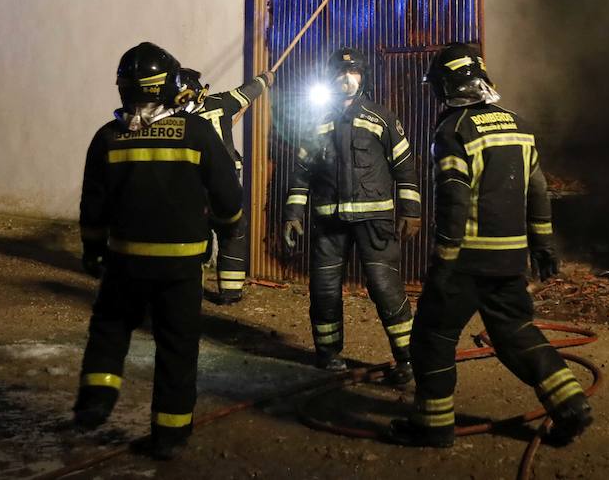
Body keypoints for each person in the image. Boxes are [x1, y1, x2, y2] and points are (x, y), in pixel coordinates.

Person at [389, 43, 593, 448]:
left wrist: (443, 264)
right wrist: (544, 245)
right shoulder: (520, 125)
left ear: (446, 86)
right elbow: (538, 190)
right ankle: (569, 401)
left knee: (432, 336)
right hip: (511, 259)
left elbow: (454, 206)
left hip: (466, 261)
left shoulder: (453, 132)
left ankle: (433, 425)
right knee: (516, 332)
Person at [73, 42, 244, 461]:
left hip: (123, 260)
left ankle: (95, 400)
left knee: (110, 331)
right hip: (181, 267)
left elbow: (92, 204)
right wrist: (229, 227)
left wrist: (93, 249)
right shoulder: (198, 132)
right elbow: (228, 197)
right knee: (177, 347)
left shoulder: (107, 137)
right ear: (168, 86)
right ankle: (169, 435)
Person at [284, 47, 420, 383]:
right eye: (341, 73)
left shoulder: (382, 119)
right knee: (324, 290)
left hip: (374, 223)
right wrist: (293, 213)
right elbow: (302, 173)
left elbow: (405, 167)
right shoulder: (317, 125)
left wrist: (412, 210)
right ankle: (329, 355)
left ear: (364, 76)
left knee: (385, 287)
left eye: (355, 72)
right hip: (328, 224)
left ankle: (409, 359)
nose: (347, 79)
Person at [175, 67, 273, 304]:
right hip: (223, 184)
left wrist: (263, 80)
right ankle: (230, 294)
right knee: (232, 232)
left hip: (193, 187)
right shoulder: (221, 103)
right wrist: (265, 79)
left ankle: (192, 292)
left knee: (197, 237)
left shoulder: (173, 119)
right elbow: (247, 93)